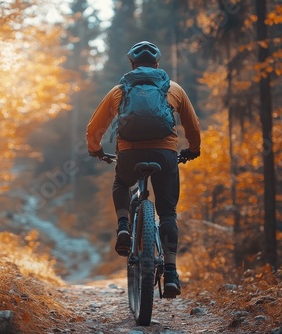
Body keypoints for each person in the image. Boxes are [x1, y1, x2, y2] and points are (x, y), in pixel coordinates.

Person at [85, 41, 201, 298]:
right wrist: (193, 149)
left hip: (129, 153)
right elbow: (192, 126)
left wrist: (96, 149)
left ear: (132, 65)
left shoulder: (119, 91)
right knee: (168, 212)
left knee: (121, 184)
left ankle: (124, 225)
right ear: (157, 65)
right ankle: (170, 271)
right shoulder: (174, 89)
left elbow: (95, 127)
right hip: (165, 155)